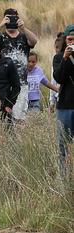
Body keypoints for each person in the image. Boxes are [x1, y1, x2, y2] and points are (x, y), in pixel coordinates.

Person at [0, 7, 38, 121]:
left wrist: (23, 28)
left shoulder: (24, 36)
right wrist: (0, 26)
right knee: (4, 118)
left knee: (20, 119)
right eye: (9, 18)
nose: (12, 21)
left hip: (21, 84)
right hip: (4, 84)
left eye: (14, 18)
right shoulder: (0, 37)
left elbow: (34, 41)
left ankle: (19, 139)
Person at [53, 24, 74, 179]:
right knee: (63, 145)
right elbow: (59, 78)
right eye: (69, 39)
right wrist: (66, 58)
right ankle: (64, 178)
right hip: (65, 106)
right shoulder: (59, 57)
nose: (71, 42)